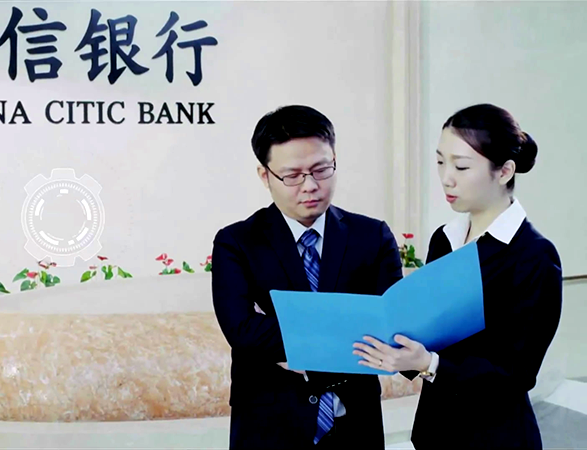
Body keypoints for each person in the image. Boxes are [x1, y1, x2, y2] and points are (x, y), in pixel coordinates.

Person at [353, 103, 563, 449]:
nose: (446, 178)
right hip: (436, 432)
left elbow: (516, 374)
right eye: (440, 162)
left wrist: (429, 364)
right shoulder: (445, 238)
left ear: (505, 171)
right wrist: (401, 352)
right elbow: (432, 336)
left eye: (461, 166)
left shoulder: (534, 256)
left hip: (495, 438)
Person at [211, 104, 403, 449]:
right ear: (265, 175)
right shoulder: (237, 242)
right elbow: (242, 330)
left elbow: (390, 323)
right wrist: (348, 334)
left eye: (321, 169)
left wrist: (295, 346)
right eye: (293, 175)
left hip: (355, 428)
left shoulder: (372, 236)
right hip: (269, 429)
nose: (310, 186)